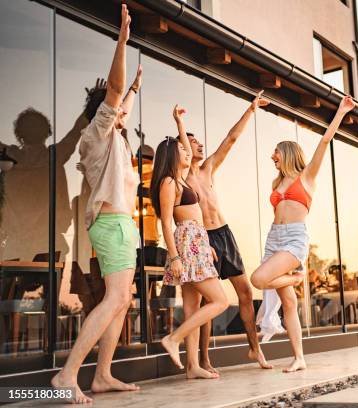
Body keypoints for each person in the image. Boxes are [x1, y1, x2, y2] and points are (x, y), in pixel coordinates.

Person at [51, 4, 142, 403]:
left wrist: (135, 88)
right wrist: (121, 42)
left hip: (123, 227)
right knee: (117, 297)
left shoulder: (117, 137)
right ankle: (66, 375)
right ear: (103, 112)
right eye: (117, 108)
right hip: (111, 225)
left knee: (122, 299)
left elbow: (125, 99)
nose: (122, 111)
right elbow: (116, 93)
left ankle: (102, 374)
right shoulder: (97, 134)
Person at [250, 94, 356, 372]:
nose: (272, 156)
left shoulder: (306, 176)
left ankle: (297, 276)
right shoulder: (278, 181)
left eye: (276, 151)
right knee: (288, 302)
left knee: (259, 279)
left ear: (286, 152)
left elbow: (323, 142)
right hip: (274, 238)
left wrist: (341, 113)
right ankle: (299, 358)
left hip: (294, 239)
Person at [185, 91, 272, 371]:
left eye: (199, 141)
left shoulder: (208, 168)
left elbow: (230, 140)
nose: (200, 145)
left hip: (224, 234)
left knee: (245, 292)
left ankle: (254, 350)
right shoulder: (181, 180)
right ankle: (205, 359)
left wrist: (251, 109)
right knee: (209, 302)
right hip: (202, 239)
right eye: (193, 141)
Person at [150, 105, 228, 378]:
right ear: (173, 156)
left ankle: (193, 367)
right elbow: (165, 222)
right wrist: (175, 258)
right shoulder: (169, 183)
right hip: (186, 246)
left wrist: (180, 122)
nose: (188, 152)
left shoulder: (181, 180)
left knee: (193, 308)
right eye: (183, 151)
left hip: (197, 243)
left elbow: (183, 144)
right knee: (220, 301)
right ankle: (173, 339)